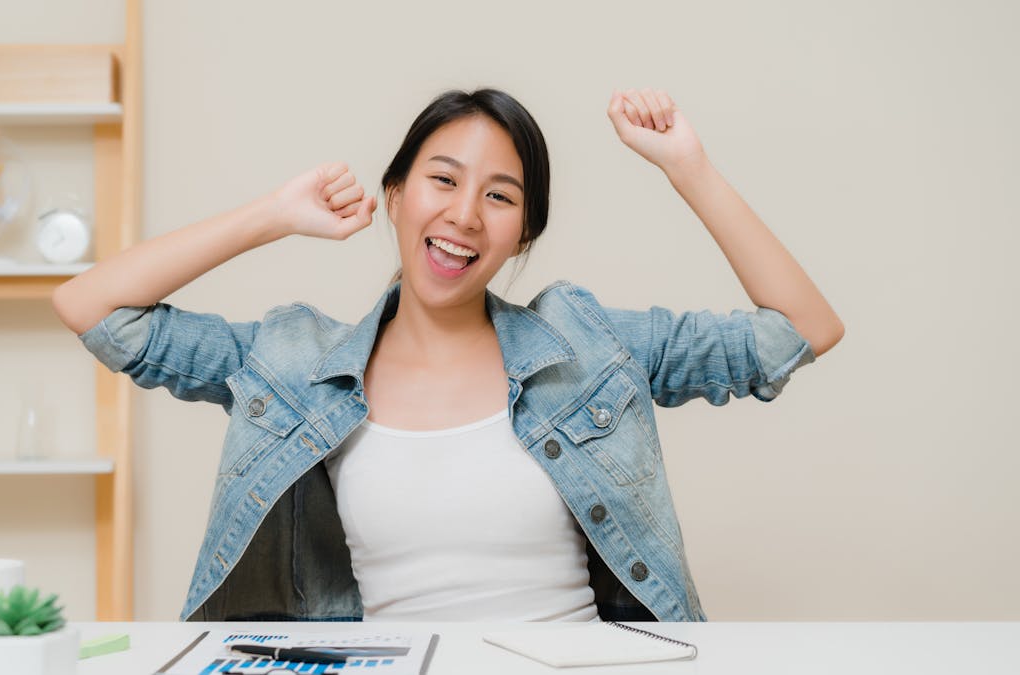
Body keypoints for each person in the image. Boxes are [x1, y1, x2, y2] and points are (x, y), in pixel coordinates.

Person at [53, 87, 844, 623]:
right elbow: (93, 310)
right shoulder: (294, 363)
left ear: (522, 233)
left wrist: (687, 166)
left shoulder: (589, 344)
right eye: (442, 180)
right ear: (396, 195)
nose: (465, 215)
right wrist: (272, 215)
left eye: (499, 196)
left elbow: (802, 328)